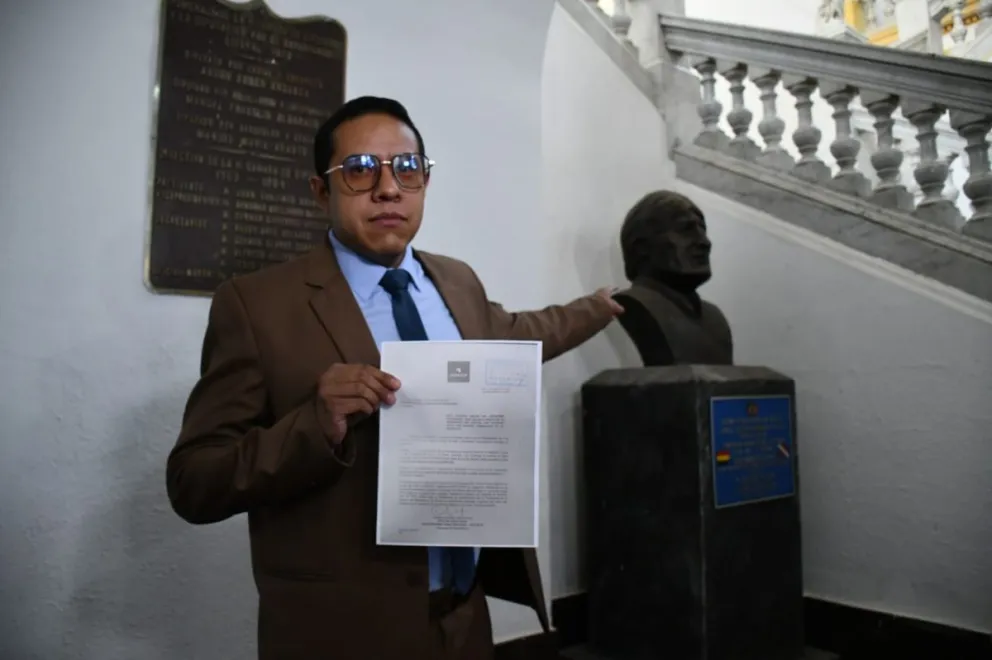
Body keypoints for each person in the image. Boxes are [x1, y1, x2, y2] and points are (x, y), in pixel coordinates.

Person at [165, 95, 623, 660]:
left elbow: (522, 332)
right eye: (359, 170)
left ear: (425, 181)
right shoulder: (257, 306)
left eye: (407, 168)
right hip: (342, 634)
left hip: (464, 621)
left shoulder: (457, 283)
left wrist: (597, 307)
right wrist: (315, 425)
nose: (388, 188)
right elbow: (193, 481)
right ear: (320, 191)